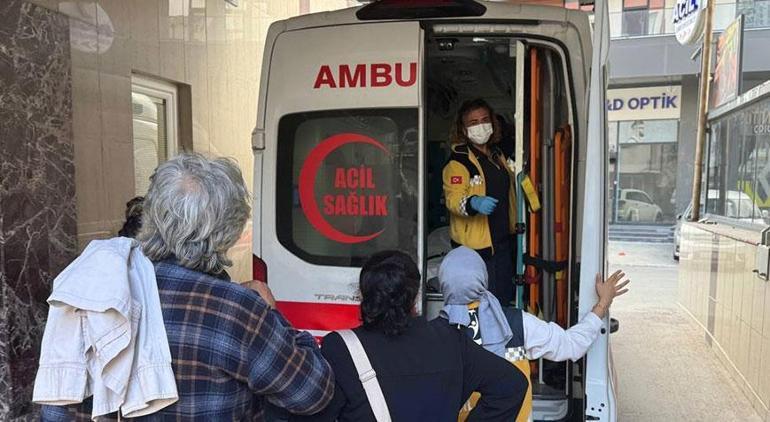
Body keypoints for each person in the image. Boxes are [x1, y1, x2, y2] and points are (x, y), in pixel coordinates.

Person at [40, 153, 334, 421]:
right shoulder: (237, 309)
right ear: (228, 232)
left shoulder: (91, 288)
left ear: (151, 215)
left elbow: (56, 407)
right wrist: (272, 314)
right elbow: (311, 394)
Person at [292, 250, 528, 422]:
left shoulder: (341, 348)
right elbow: (512, 385)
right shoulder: (451, 340)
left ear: (364, 294)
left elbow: (315, 414)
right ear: (414, 295)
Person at [437, 246, 630, 421]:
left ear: (443, 283)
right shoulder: (517, 324)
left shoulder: (431, 335)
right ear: (483, 278)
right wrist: (603, 303)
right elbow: (572, 345)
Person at [443, 98, 518, 306]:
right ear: (463, 128)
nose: (480, 126)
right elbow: (453, 198)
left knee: (502, 301)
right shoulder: (459, 161)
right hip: (476, 250)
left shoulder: (497, 155)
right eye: (473, 122)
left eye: (485, 120)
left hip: (502, 242)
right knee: (479, 306)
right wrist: (473, 202)